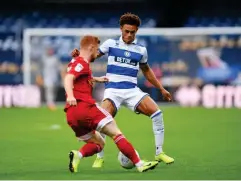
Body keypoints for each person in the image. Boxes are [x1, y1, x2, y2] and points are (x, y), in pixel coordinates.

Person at [71, 13, 174, 168]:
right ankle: (100, 157)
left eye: (132, 32)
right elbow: (91, 57)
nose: (129, 35)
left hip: (132, 90)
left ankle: (159, 152)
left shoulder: (141, 50)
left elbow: (146, 71)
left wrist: (161, 89)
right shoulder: (111, 44)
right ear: (121, 29)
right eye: (126, 31)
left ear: (136, 31)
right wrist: (80, 55)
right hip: (113, 90)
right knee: (103, 120)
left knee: (157, 113)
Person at [64, 35, 158, 173]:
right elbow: (68, 78)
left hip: (71, 115)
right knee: (116, 133)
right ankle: (139, 164)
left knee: (99, 143)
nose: (98, 52)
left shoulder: (74, 62)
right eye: (96, 49)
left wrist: (97, 79)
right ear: (91, 47)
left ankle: (77, 156)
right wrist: (70, 95)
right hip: (84, 107)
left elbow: (79, 76)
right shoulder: (82, 63)